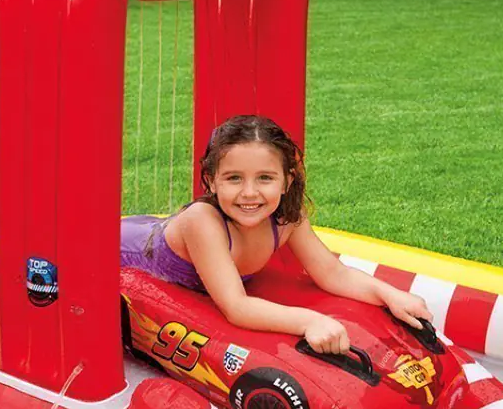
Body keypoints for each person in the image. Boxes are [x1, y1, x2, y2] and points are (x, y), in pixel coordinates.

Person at [121, 115, 433, 354]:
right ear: (212, 181)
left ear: (287, 181)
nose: (249, 192)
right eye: (234, 178)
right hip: (120, 252)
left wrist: (390, 295)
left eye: (265, 178)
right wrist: (310, 320)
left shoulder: (286, 218)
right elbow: (236, 307)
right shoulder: (202, 222)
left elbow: (332, 273)